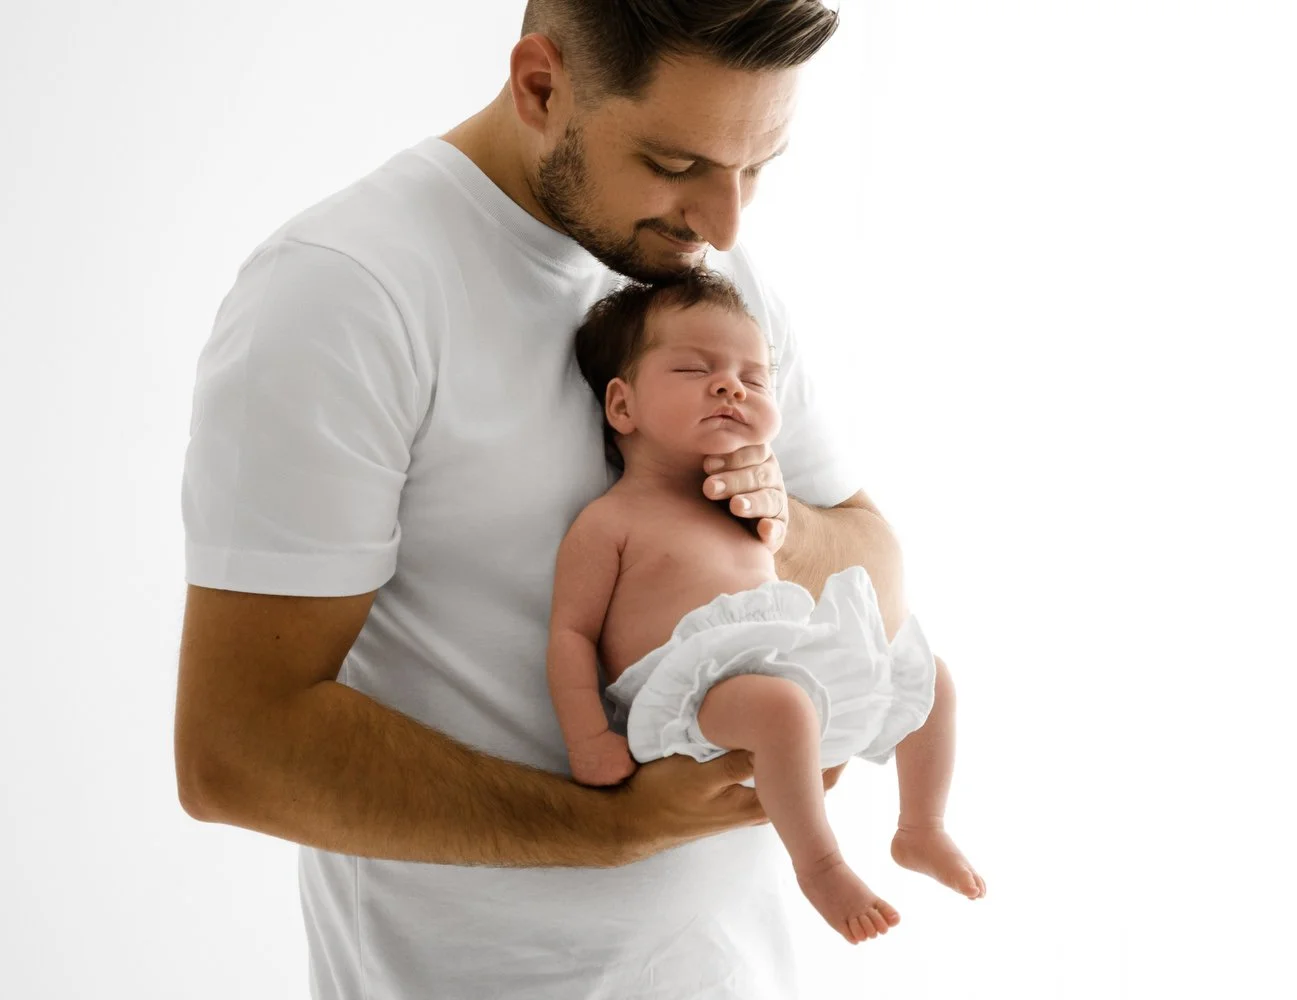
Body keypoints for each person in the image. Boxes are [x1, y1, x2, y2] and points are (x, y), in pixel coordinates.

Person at [174, 2, 969, 996]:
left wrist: (774, 521)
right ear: (541, 86)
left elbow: (876, 571)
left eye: (756, 168)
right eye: (676, 164)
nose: (726, 223)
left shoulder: (704, 271)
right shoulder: (348, 293)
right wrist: (612, 828)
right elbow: (236, 751)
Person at [549, 271, 986, 945]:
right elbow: (572, 634)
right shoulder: (612, 520)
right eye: (695, 369)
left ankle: (920, 827)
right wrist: (588, 739)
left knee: (929, 674)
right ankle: (821, 867)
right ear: (622, 405)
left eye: (753, 379)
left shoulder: (752, 505)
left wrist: (779, 526)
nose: (730, 387)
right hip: (686, 692)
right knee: (781, 708)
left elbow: (825, 568)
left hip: (780, 666)